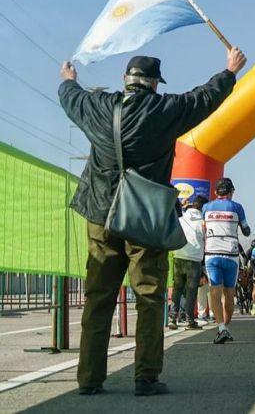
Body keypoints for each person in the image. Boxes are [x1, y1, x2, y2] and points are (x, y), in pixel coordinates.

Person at [58, 48, 245, 396]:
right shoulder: (165, 111)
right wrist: (229, 71)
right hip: (144, 219)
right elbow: (203, 99)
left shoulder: (99, 107)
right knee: (149, 297)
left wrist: (69, 80)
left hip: (100, 214)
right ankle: (145, 377)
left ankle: (89, 379)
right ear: (155, 84)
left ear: (126, 82)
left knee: (99, 297)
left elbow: (71, 99)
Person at [203, 177, 251, 344]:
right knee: (229, 293)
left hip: (212, 254)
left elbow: (204, 229)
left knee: (214, 292)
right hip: (231, 255)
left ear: (216, 192)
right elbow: (246, 231)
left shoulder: (206, 207)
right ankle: (227, 329)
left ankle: (221, 328)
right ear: (231, 192)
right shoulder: (237, 207)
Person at [170, 195, 209, 330]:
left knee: (178, 288)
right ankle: (189, 320)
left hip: (178, 255)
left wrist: (182, 205)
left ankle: (172, 318)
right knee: (191, 291)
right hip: (194, 260)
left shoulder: (182, 217)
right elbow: (206, 241)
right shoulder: (203, 222)